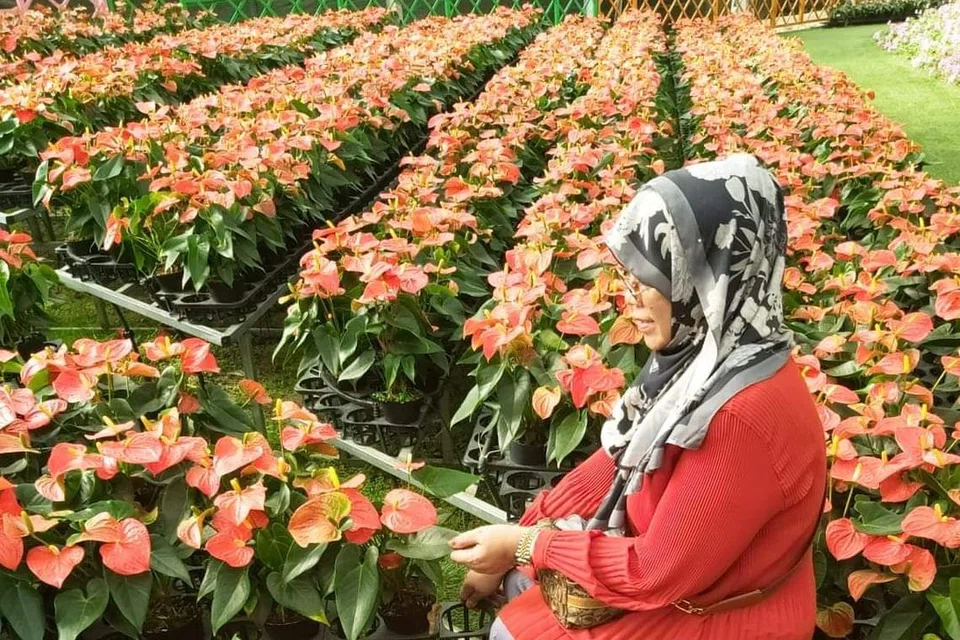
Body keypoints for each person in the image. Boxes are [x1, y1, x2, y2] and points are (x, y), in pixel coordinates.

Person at [448, 154, 827, 639]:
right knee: (523, 584)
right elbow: (620, 458)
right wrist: (525, 531)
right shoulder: (713, 351)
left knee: (512, 629)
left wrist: (526, 547)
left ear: (707, 280)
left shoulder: (741, 415)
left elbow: (654, 570)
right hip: (696, 583)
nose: (630, 300)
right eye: (630, 277)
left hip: (716, 614)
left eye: (653, 282)